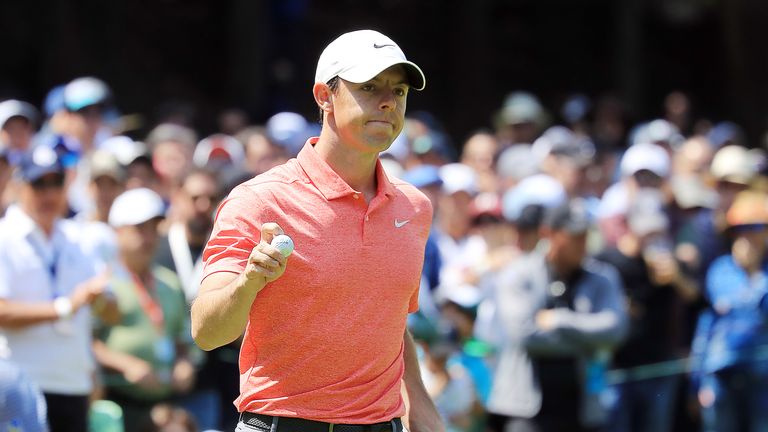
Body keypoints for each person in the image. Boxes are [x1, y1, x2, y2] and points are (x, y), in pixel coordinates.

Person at [191, 29, 443, 432]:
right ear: (324, 96)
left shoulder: (414, 208)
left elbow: (391, 322)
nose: (387, 101)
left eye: (398, 91)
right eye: (369, 87)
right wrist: (249, 283)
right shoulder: (259, 200)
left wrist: (421, 406)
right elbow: (206, 331)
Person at [0, 146, 117, 432]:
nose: (49, 194)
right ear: (19, 185)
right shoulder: (3, 237)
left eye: (56, 183)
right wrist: (66, 307)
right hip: (19, 385)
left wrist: (102, 299)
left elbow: (112, 315)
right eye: (39, 183)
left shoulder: (79, 238)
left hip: (73, 383)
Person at [483, 200, 627, 432]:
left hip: (583, 409)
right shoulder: (518, 274)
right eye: (574, 236)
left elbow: (614, 330)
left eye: (585, 235)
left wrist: (559, 320)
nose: (583, 244)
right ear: (548, 234)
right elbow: (525, 335)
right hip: (526, 409)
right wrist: (588, 341)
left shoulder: (602, 277)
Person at [93, 187, 195, 432]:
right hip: (116, 405)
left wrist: (184, 363)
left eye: (153, 229)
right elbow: (86, 341)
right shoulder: (101, 282)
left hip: (164, 405)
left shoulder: (169, 283)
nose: (148, 238)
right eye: (139, 229)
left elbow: (181, 339)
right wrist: (125, 364)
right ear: (117, 232)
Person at [691, 190, 768, 431]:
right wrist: (698, 381)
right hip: (721, 370)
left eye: (755, 230)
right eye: (742, 230)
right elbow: (722, 311)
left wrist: (755, 274)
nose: (748, 238)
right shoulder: (721, 269)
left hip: (762, 376)